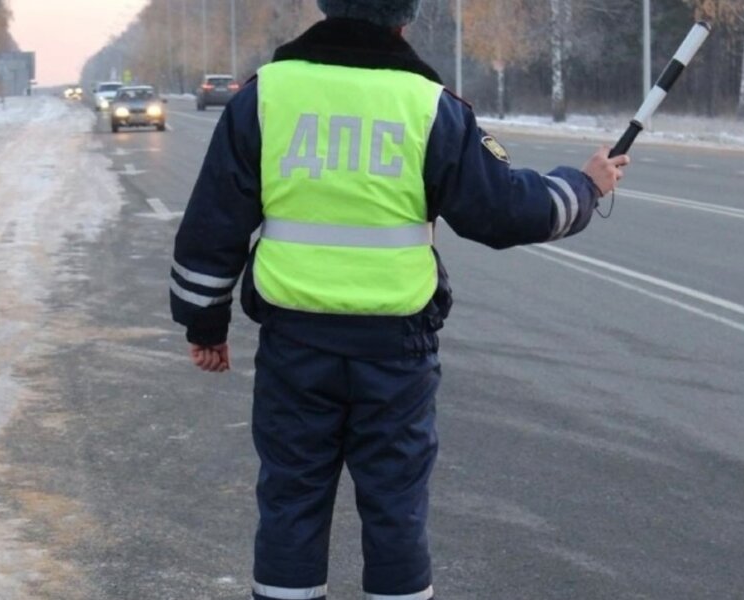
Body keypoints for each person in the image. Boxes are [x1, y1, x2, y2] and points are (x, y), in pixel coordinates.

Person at [170, 1, 630, 598]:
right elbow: (506, 210)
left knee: (291, 504)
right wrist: (586, 185)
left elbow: (213, 222)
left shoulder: (266, 95)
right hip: (396, 353)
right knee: (395, 510)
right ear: (404, 20)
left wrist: (204, 326)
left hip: (294, 348)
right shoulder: (428, 105)